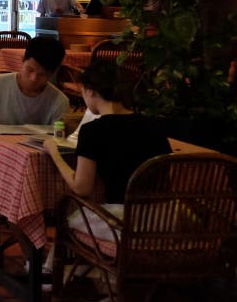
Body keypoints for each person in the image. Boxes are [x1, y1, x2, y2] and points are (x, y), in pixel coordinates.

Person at [44, 59, 171, 242]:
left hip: (124, 222)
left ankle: (66, 268)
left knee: (69, 216)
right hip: (164, 218)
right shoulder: (155, 125)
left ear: (91, 91)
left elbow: (82, 188)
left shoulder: (93, 131)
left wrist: (54, 152)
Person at [0, 36, 69, 128]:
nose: (33, 78)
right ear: (22, 61)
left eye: (42, 74)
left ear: (53, 73)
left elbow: (57, 139)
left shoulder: (59, 101)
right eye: (30, 69)